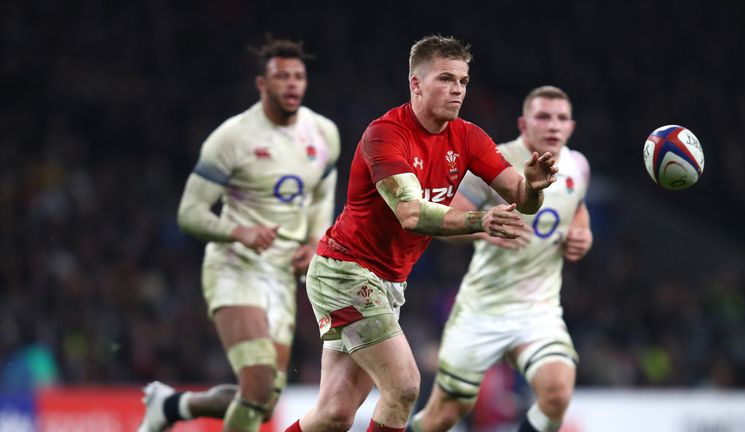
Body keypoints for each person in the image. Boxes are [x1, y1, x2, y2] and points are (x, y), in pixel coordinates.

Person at [283, 35, 559, 432]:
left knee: (334, 414)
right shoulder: (385, 135)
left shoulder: (467, 137)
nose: (458, 90)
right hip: (345, 272)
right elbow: (411, 213)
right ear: (416, 83)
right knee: (404, 387)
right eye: (446, 79)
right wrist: (480, 221)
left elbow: (521, 197)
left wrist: (532, 187)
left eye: (463, 81)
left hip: (387, 281)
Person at [137, 35, 341, 432]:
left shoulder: (323, 133)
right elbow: (189, 213)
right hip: (236, 267)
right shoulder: (232, 137)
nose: (293, 83)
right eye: (282, 76)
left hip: (282, 275)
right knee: (259, 381)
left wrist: (314, 241)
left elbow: (321, 198)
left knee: (262, 403)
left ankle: (172, 405)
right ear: (262, 84)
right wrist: (237, 232)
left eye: (299, 76)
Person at [409, 85, 592, 432]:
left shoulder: (578, 167)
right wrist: (484, 228)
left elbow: (577, 209)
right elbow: (444, 220)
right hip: (484, 308)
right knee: (444, 414)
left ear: (571, 127)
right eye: (543, 117)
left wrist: (583, 236)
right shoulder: (494, 162)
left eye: (561, 118)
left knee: (556, 393)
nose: (553, 126)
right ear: (524, 124)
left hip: (539, 309)